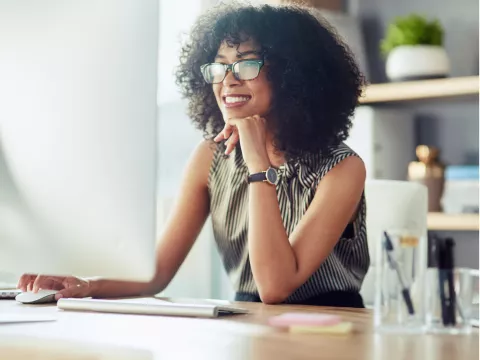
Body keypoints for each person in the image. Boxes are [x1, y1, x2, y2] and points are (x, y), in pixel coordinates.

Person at [18, 3, 370, 307]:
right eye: (219, 67)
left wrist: (258, 164)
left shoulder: (342, 168)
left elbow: (276, 287)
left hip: (331, 325)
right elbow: (156, 274)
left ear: (296, 76)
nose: (228, 81)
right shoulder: (210, 158)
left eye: (246, 64)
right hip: (250, 326)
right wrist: (85, 285)